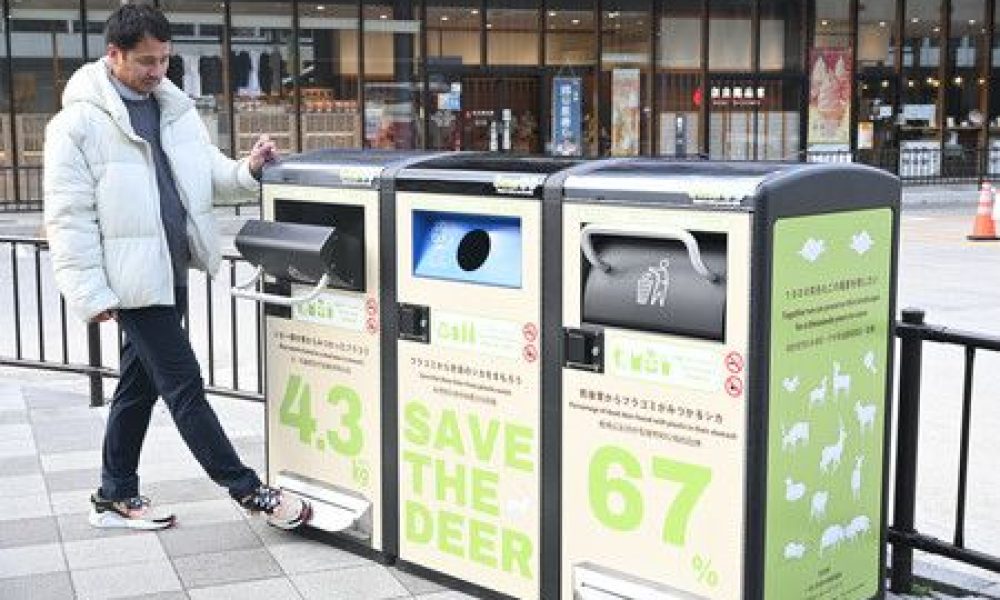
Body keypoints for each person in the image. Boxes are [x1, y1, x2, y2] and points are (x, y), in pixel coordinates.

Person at [43, 3, 309, 531]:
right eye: (146, 61)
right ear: (112, 54)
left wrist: (249, 169)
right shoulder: (75, 125)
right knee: (184, 384)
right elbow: (67, 217)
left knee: (137, 387)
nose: (157, 71)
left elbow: (209, 176)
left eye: (164, 59)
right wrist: (90, 293)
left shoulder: (175, 108)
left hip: (172, 269)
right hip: (131, 282)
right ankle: (247, 490)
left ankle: (114, 495)